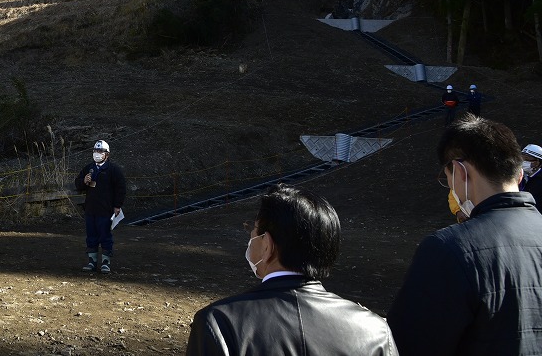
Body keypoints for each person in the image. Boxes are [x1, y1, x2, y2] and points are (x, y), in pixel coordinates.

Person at [388, 116, 542, 355]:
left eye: (446, 179)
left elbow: (405, 345)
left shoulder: (447, 249)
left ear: (459, 171)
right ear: (519, 174)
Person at [185, 184, 395, 355]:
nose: (250, 238)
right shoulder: (375, 331)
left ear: (267, 245)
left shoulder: (219, 323)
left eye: (253, 230)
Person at [74, 140, 125, 274]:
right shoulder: (88, 168)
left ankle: (105, 263)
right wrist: (83, 182)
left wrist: (117, 205)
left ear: (107, 154)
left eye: (100, 151)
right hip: (90, 209)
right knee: (91, 236)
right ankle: (92, 262)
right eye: (95, 151)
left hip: (106, 210)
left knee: (105, 235)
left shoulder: (114, 170)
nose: (97, 154)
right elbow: (78, 184)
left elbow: (121, 189)